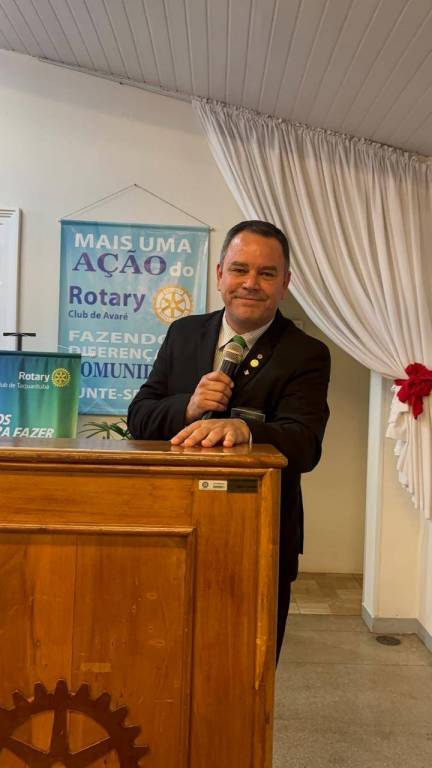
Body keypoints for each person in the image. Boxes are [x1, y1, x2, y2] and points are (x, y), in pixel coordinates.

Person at [127, 220, 330, 659]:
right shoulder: (183, 333)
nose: (250, 283)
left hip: (259, 537)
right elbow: (139, 419)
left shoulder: (307, 354)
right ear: (220, 274)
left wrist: (247, 430)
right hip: (172, 528)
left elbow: (305, 444)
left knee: (246, 669)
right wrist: (188, 406)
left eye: (266, 273)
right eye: (239, 269)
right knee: (166, 659)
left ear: (285, 283)